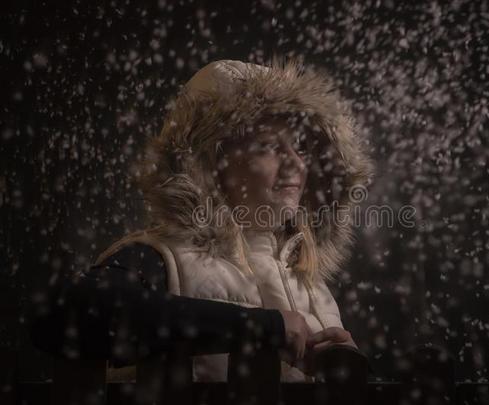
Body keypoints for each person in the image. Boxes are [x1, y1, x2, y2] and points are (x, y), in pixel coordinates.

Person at [31, 59, 375, 382]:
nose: (296, 164)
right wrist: (260, 327)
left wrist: (336, 369)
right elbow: (66, 317)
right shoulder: (162, 258)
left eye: (299, 147)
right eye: (268, 146)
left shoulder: (312, 286)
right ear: (211, 164)